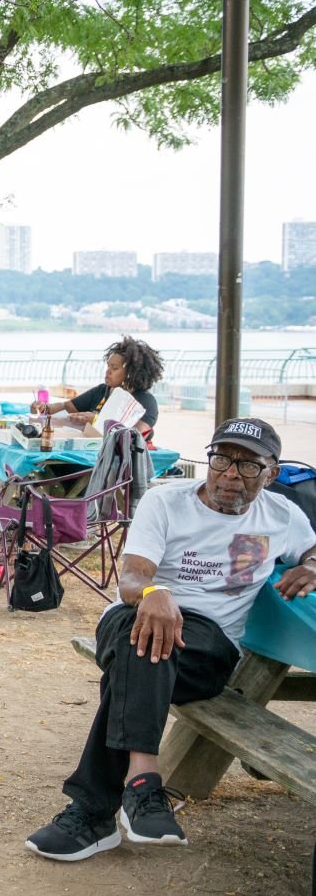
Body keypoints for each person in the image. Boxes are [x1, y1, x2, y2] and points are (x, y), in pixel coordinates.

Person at [25, 417, 316, 862]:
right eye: (221, 459)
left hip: (209, 646)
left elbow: (314, 548)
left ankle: (91, 813)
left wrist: (312, 565)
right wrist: (153, 592)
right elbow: (131, 576)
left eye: (248, 465)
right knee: (141, 632)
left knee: (137, 659)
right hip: (134, 614)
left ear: (272, 473)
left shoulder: (282, 516)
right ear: (209, 459)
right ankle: (143, 785)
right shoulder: (166, 501)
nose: (231, 473)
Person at [31, 336, 165, 437]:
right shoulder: (102, 391)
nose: (108, 371)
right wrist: (44, 408)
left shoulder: (145, 401)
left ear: (131, 372)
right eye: (108, 366)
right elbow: (66, 407)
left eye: (114, 368)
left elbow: (135, 435)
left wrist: (97, 421)